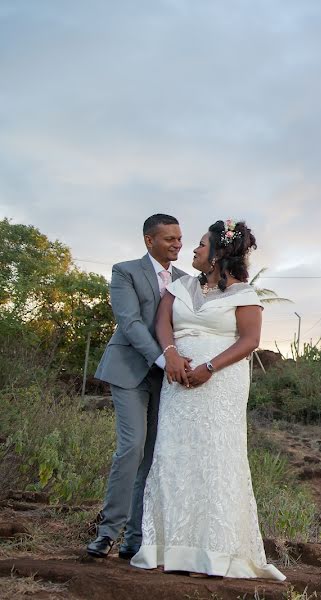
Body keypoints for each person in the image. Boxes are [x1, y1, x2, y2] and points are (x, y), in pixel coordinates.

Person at [130, 219, 285, 581]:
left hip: (220, 383)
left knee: (215, 457)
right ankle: (168, 548)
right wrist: (170, 353)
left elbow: (249, 341)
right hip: (178, 380)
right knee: (173, 455)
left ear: (218, 253)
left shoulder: (245, 295)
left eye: (201, 244)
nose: (194, 250)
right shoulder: (180, 285)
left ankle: (213, 553)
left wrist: (209, 367)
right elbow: (162, 322)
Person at [88, 214, 188, 559]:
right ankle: (107, 531)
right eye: (169, 239)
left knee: (152, 455)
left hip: (168, 380)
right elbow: (129, 323)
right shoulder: (125, 271)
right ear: (149, 240)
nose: (177, 244)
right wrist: (163, 359)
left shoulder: (187, 281)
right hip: (130, 369)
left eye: (180, 238)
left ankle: (136, 536)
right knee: (131, 448)